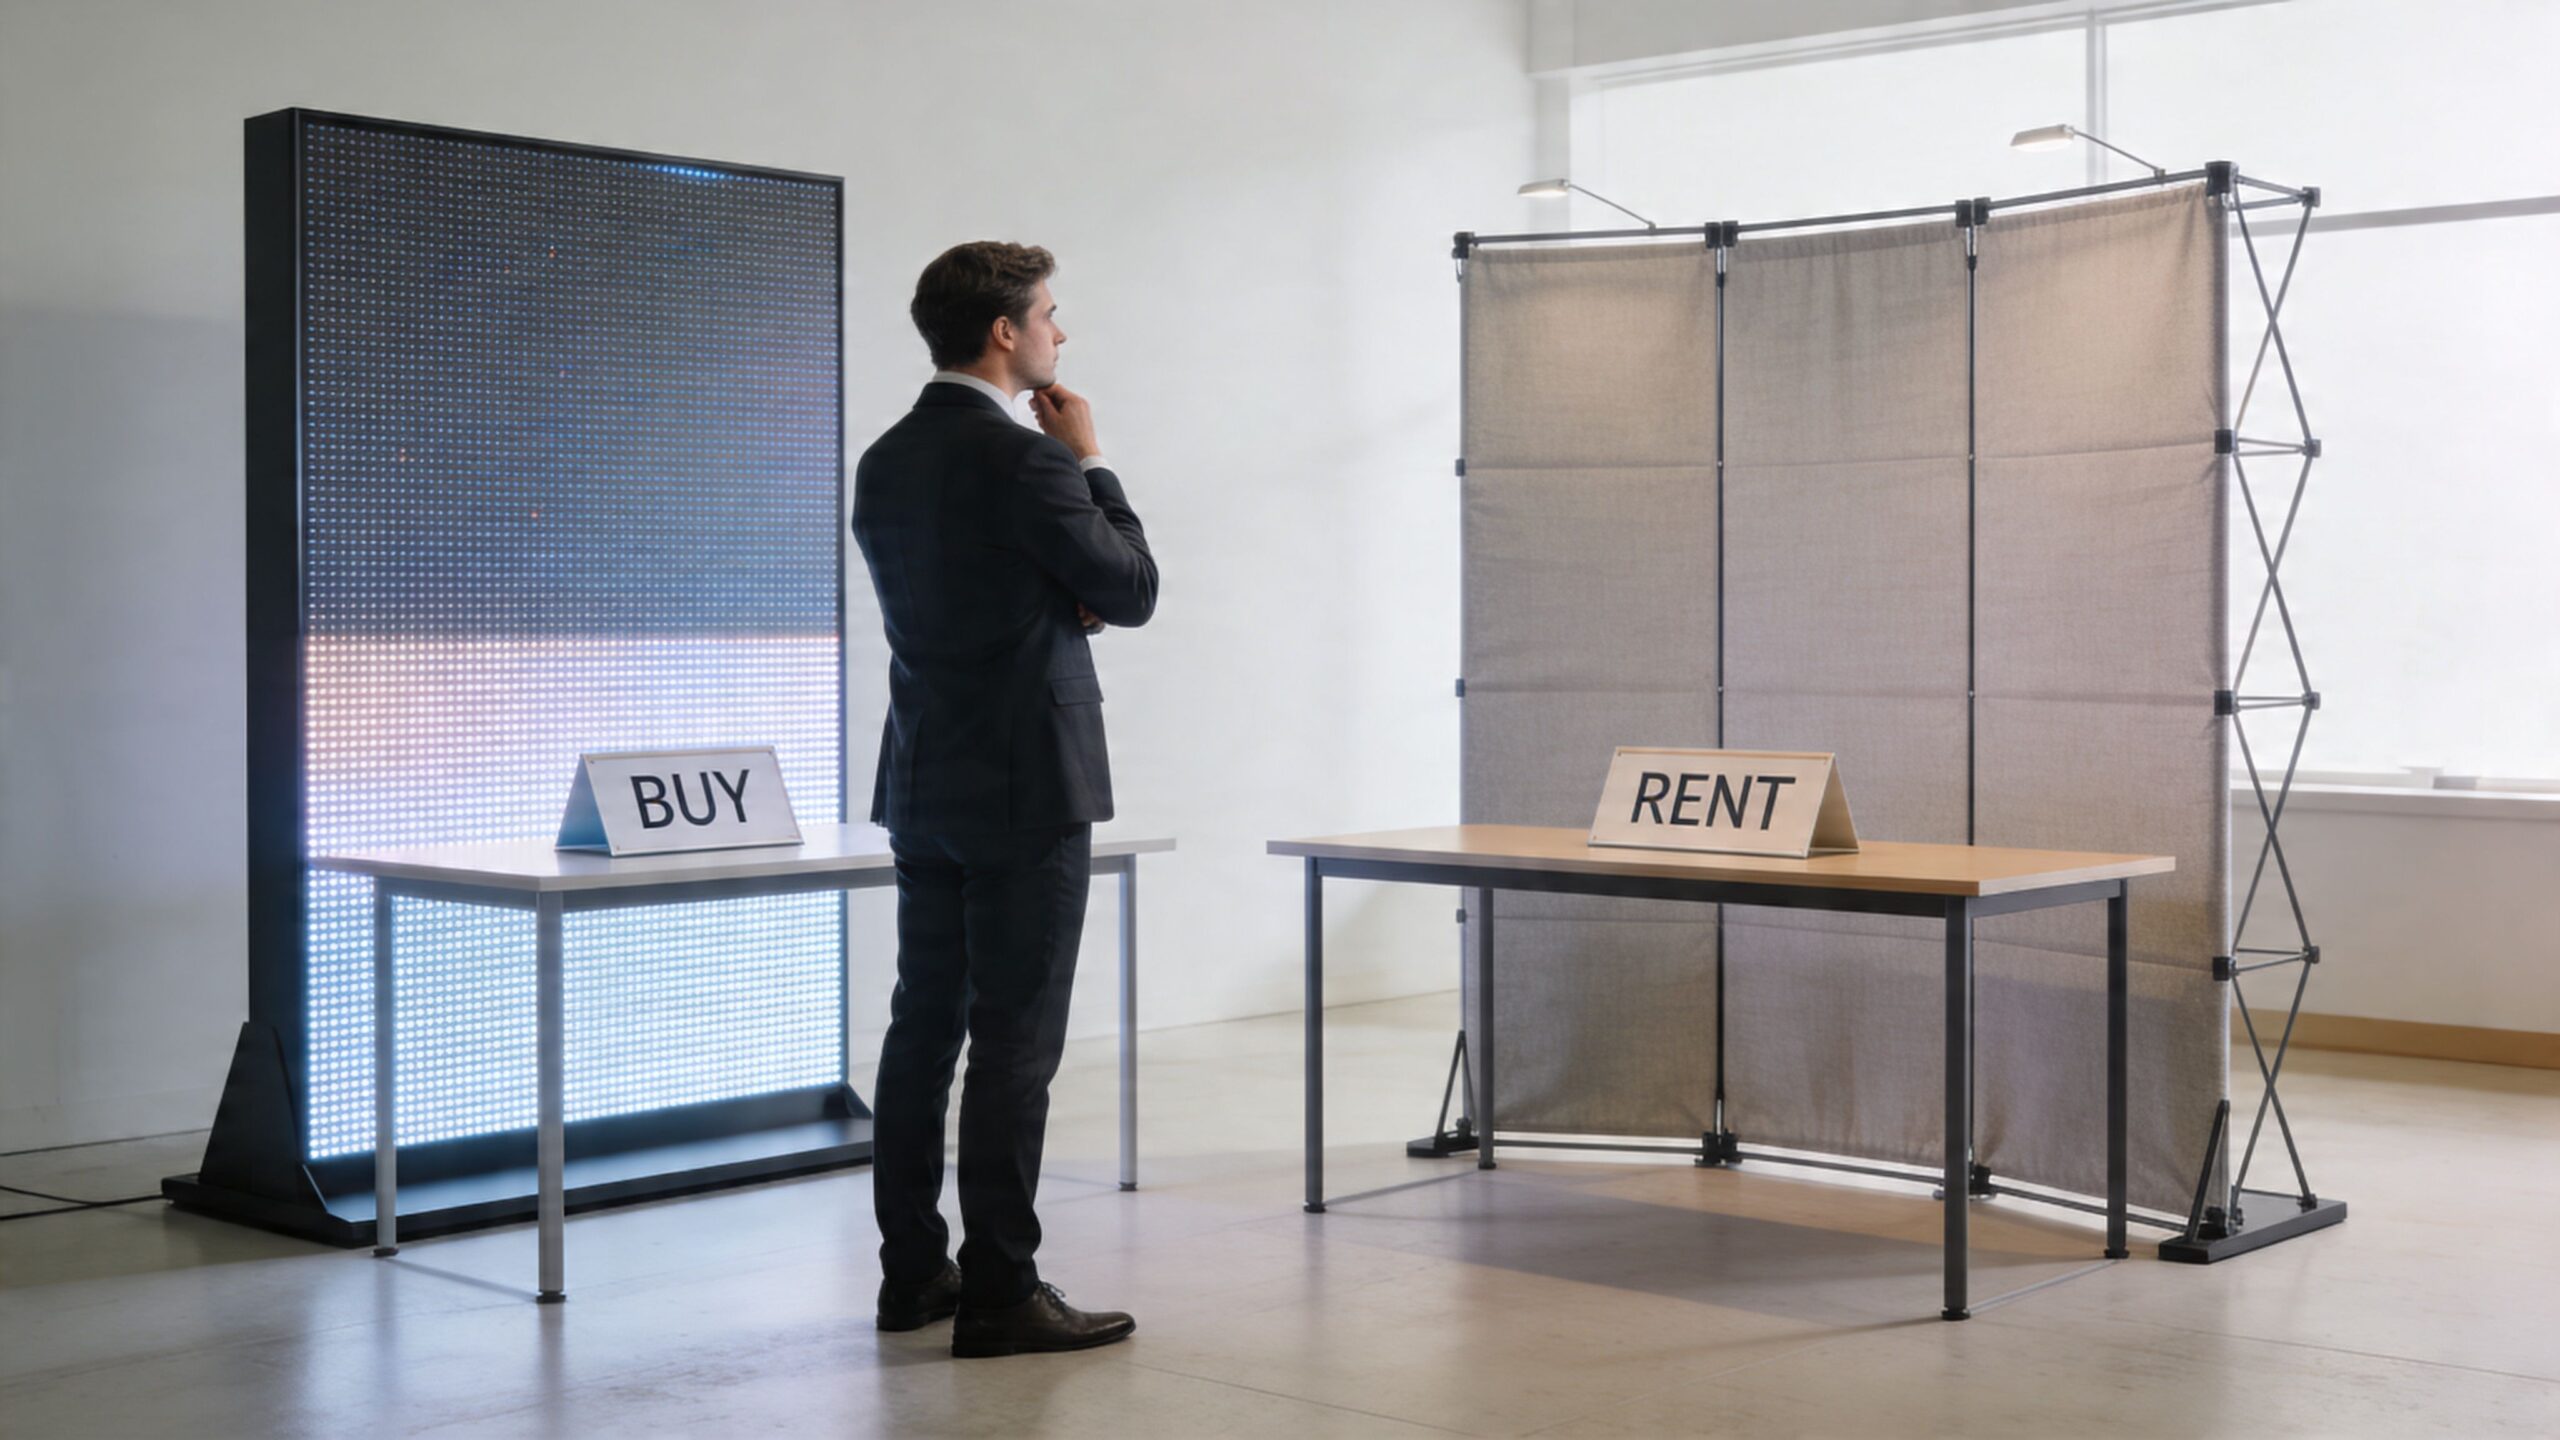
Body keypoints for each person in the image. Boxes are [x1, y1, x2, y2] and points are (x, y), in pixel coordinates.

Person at [850, 242, 1157, 1358]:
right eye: (1049, 317)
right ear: (1004, 335)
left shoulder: (884, 460)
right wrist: (1091, 462)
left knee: (921, 1026)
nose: (1059, 335)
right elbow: (1129, 590)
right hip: (1027, 789)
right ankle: (1002, 1290)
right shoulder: (1029, 460)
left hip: (924, 779)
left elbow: (972, 597)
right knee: (1015, 1042)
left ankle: (911, 1275)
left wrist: (1049, 593)